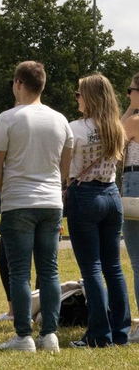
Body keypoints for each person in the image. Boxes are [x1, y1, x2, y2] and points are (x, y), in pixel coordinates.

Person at [0, 61, 73, 353]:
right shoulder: (61, 120)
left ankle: (24, 335)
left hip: (19, 202)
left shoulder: (8, 118)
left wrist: (7, 190)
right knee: (50, 270)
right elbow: (65, 167)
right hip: (51, 202)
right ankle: (49, 334)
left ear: (18, 84)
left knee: (20, 272)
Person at [67, 73, 131, 347]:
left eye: (79, 94)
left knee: (91, 268)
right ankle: (120, 332)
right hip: (111, 195)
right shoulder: (116, 127)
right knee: (114, 268)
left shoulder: (75, 128)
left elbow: (66, 164)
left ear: (89, 98)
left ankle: (98, 334)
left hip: (84, 194)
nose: (77, 98)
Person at [121, 73, 139, 343]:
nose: (127, 95)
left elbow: (115, 133)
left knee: (137, 260)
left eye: (130, 90)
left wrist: (131, 107)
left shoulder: (134, 121)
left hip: (135, 182)